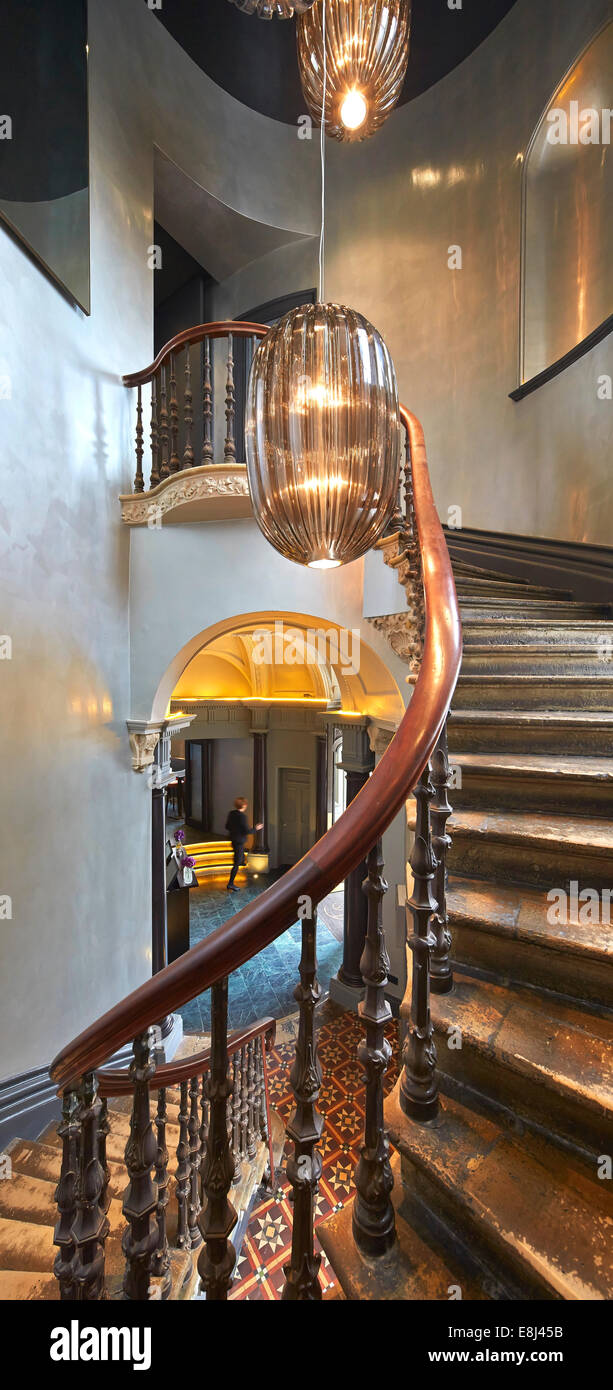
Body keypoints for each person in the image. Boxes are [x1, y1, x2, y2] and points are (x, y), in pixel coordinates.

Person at [225, 797, 263, 892]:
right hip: (239, 841)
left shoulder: (231, 813)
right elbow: (247, 831)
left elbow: (227, 826)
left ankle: (241, 860)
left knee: (240, 856)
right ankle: (230, 884)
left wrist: (236, 829)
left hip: (233, 839)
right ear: (244, 805)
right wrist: (256, 828)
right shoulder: (242, 816)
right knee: (236, 863)